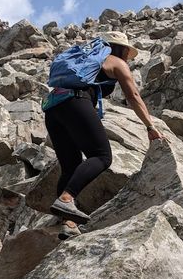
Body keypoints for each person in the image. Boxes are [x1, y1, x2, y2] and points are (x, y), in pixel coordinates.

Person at [44, 31, 165, 239]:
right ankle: (66, 199)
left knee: (71, 166)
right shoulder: (117, 62)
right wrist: (150, 126)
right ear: (123, 49)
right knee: (101, 156)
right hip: (75, 103)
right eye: (127, 52)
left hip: (53, 108)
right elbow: (133, 96)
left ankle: (68, 223)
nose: (128, 57)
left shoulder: (86, 57)